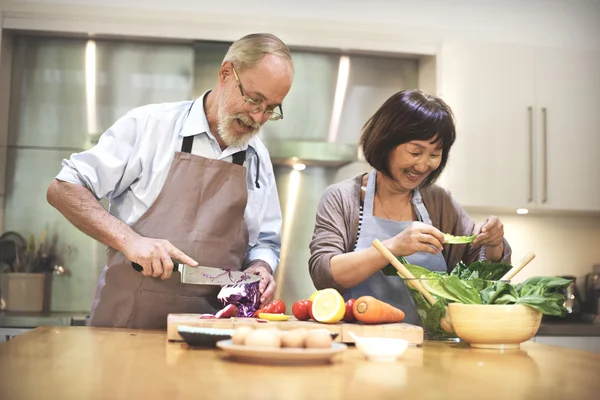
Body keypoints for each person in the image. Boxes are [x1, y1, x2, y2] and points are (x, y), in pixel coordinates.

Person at [47, 33, 294, 329]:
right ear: (226, 73)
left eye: (271, 108)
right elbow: (63, 187)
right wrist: (129, 240)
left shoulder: (257, 158)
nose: (258, 116)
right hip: (126, 329)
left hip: (210, 333)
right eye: (254, 100)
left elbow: (265, 242)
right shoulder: (149, 126)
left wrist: (261, 266)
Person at [308, 89, 511, 326]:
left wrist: (494, 243)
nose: (424, 165)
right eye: (415, 152)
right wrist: (394, 247)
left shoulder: (439, 201)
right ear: (386, 143)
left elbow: (482, 273)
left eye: (435, 154)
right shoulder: (342, 198)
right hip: (360, 344)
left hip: (432, 347)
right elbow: (325, 274)